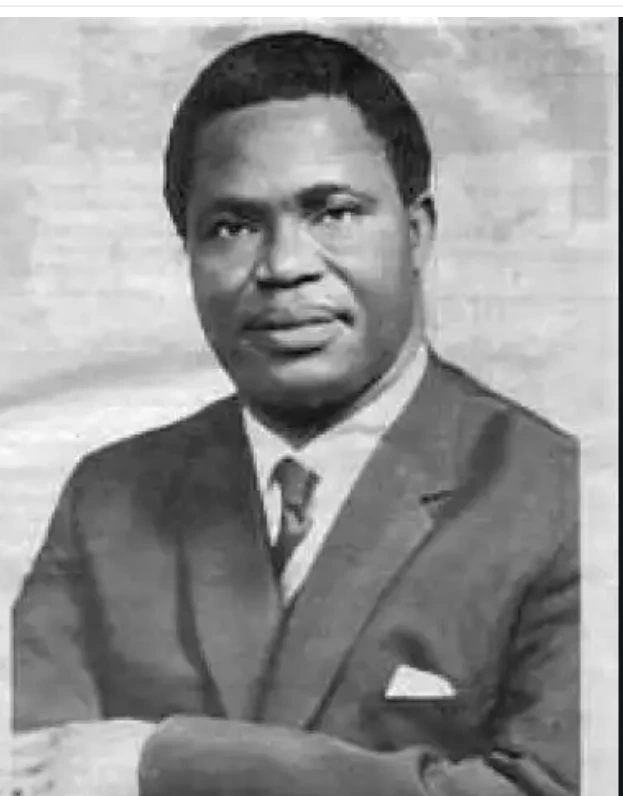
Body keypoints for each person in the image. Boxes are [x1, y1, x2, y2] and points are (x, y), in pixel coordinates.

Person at [13, 30, 580, 796]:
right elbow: (30, 774)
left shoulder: (561, 497)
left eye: (334, 213)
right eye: (232, 227)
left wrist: (166, 762)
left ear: (416, 233)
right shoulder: (107, 497)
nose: (283, 266)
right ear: (188, 255)